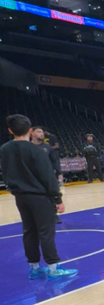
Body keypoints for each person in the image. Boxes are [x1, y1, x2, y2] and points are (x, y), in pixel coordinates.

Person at [0, 114, 78, 280]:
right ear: (29, 130)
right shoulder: (36, 150)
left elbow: (5, 174)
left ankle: (34, 268)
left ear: (10, 130)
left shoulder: (4, 149)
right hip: (39, 197)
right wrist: (57, 199)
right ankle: (54, 267)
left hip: (20, 196)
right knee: (46, 232)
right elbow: (47, 176)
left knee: (29, 231)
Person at [30, 126, 63, 223]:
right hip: (33, 176)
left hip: (47, 175)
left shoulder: (47, 147)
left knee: (51, 194)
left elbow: (54, 161)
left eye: (42, 132)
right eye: (39, 132)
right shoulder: (27, 147)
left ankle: (54, 215)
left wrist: (59, 172)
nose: (42, 133)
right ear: (32, 133)